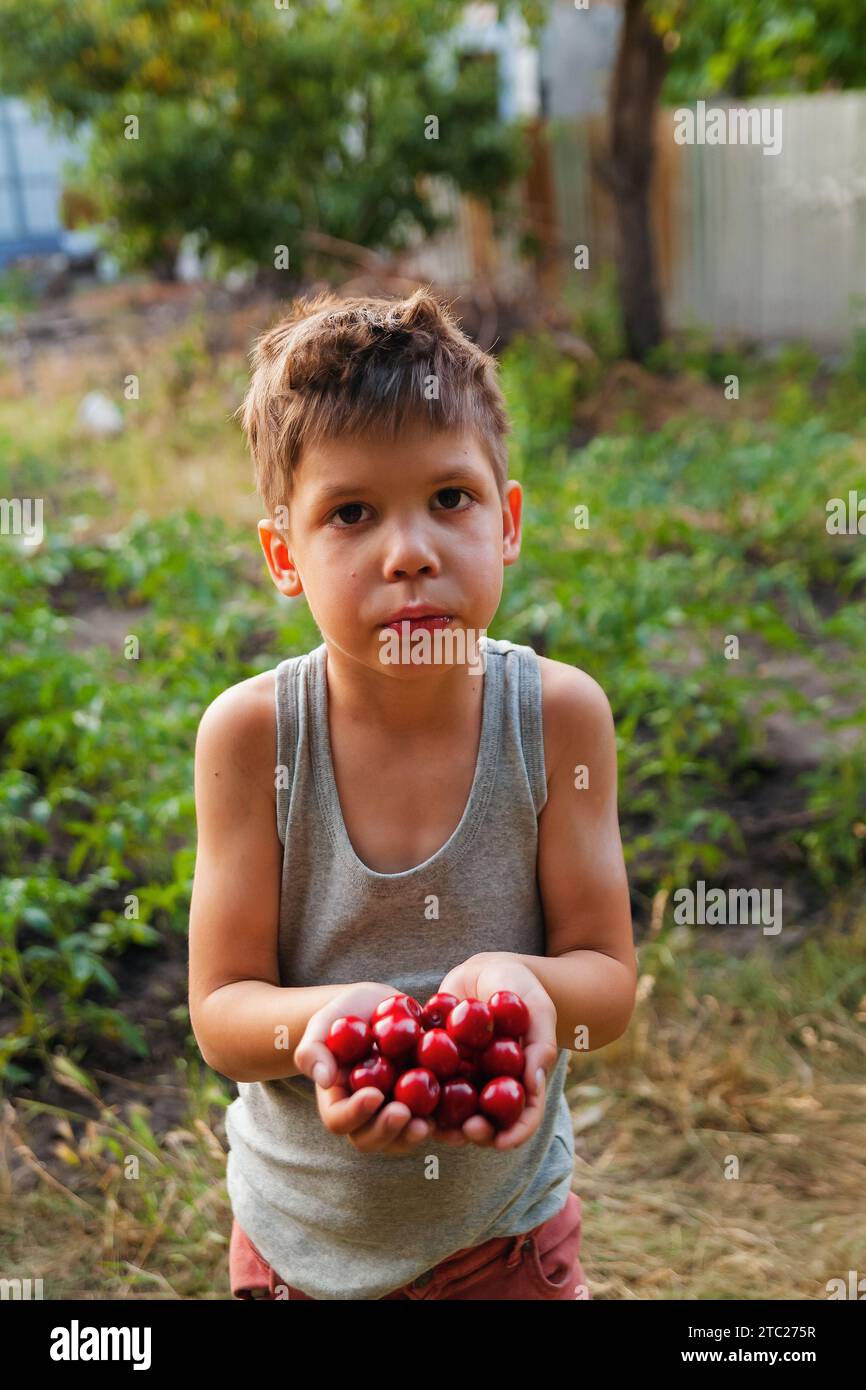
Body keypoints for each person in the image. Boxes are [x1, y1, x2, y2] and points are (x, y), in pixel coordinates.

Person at [188, 287, 636, 1300]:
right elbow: (221, 1011)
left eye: (450, 499)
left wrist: (528, 993)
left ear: (508, 521)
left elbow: (604, 981)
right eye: (350, 513)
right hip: (295, 1246)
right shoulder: (253, 737)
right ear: (283, 555)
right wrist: (321, 1029)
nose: (410, 552)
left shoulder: (556, 718)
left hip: (500, 1244)